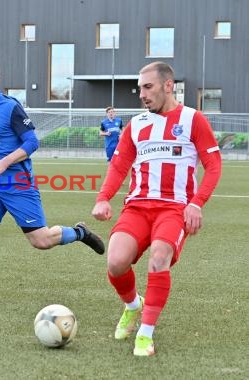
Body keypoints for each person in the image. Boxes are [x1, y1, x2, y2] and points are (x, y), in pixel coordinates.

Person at [91, 61, 222, 356]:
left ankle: (145, 335)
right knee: (115, 262)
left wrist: (196, 203)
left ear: (167, 86)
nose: (142, 94)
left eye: (148, 87)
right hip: (137, 207)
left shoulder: (192, 119)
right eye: (140, 89)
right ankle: (132, 306)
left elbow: (214, 166)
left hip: (174, 209)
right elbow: (119, 164)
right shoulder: (137, 124)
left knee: (158, 259)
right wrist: (102, 197)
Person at [0, 57, 105, 304]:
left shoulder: (10, 107)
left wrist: (4, 162)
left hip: (18, 184)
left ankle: (79, 233)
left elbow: (32, 142)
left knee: (41, 240)